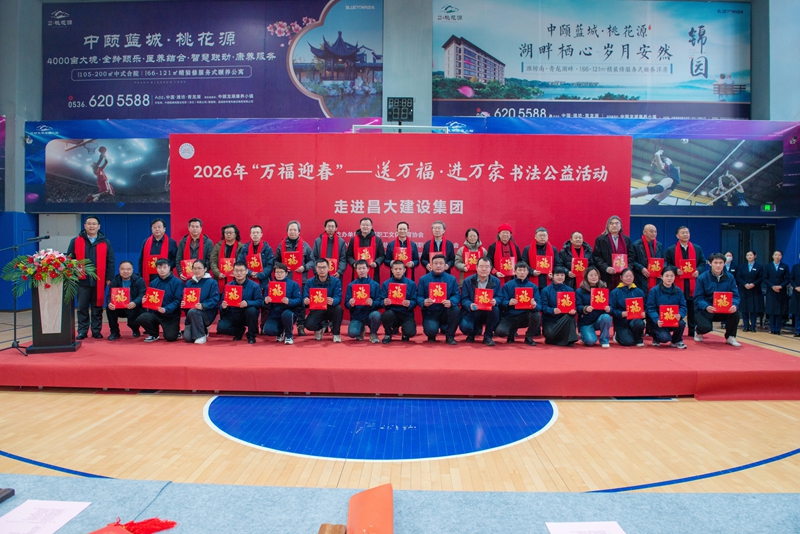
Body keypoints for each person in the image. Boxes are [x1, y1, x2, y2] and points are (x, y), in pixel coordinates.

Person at [67, 215, 115, 340]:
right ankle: (82, 331)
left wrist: (109, 278)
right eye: (89, 223)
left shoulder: (105, 242)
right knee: (82, 307)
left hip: (99, 280)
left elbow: (110, 261)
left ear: (99, 226)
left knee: (97, 306)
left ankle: (96, 331)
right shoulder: (75, 241)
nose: (91, 226)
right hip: (81, 280)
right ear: (85, 226)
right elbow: (69, 260)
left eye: (94, 224)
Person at [665, 226, 706, 337]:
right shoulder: (671, 249)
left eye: (687, 232)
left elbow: (702, 263)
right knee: (677, 306)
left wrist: (698, 271)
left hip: (693, 283)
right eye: (683, 233)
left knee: (692, 308)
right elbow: (667, 264)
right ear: (677, 235)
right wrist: (675, 270)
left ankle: (692, 331)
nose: (685, 235)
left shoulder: (697, 248)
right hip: (677, 283)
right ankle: (675, 329)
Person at [275, 221, 314, 335]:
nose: (292, 232)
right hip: (285, 280)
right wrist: (282, 267)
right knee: (285, 302)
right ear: (287, 231)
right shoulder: (281, 245)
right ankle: (286, 325)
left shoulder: (305, 245)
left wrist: (304, 267)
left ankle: (300, 325)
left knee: (301, 303)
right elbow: (276, 261)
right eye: (290, 230)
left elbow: (312, 261)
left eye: (295, 230)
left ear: (299, 232)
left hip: (301, 279)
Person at [694, 253, 742, 346]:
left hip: (723, 309)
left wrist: (734, 305)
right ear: (710, 263)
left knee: (735, 313)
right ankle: (698, 331)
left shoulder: (730, 277)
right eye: (715, 263)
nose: (718, 265)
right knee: (705, 327)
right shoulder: (702, 278)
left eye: (721, 263)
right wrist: (706, 306)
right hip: (706, 310)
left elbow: (736, 296)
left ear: (724, 264)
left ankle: (730, 336)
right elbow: (698, 298)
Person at [237, 225, 275, 332]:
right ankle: (253, 327)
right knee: (252, 304)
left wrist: (259, 275)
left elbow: (270, 265)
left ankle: (264, 326)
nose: (255, 235)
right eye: (253, 233)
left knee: (265, 305)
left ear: (261, 234)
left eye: (257, 233)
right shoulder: (245, 248)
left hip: (264, 280)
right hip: (249, 280)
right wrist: (249, 273)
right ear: (250, 235)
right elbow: (240, 263)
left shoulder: (267, 248)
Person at [136, 259, 184, 342]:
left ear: (169, 268)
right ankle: (154, 334)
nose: (162, 270)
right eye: (159, 267)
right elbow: (151, 299)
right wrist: (146, 301)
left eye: (164, 267)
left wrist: (166, 309)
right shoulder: (153, 283)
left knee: (170, 337)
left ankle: (176, 331)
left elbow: (177, 300)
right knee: (142, 317)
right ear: (156, 269)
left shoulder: (178, 282)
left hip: (171, 315)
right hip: (156, 313)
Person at [416, 254, 460, 345]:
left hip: (445, 311)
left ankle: (450, 336)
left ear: (445, 265)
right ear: (431, 265)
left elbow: (457, 295)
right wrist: (423, 302)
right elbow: (419, 296)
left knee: (456, 309)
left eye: (441, 263)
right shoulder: (423, 279)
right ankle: (433, 332)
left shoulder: (452, 279)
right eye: (435, 263)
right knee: (431, 331)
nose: (438, 265)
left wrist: (451, 302)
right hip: (431, 311)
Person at [216, 261, 263, 344]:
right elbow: (221, 302)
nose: (239, 273)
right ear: (233, 272)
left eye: (241, 270)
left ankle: (251, 335)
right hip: (233, 314)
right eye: (236, 271)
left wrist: (248, 303)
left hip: (247, 314)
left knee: (251, 310)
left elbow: (260, 302)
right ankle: (239, 331)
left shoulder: (254, 286)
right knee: (221, 328)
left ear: (246, 271)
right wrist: (223, 307)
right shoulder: (228, 286)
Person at [496, 261, 540, 345]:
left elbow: (539, 305)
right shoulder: (507, 285)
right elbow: (502, 302)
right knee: (500, 332)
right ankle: (511, 333)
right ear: (515, 272)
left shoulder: (533, 287)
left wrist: (535, 305)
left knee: (536, 315)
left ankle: (529, 337)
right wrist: (509, 303)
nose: (522, 273)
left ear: (528, 272)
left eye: (524, 270)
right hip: (510, 315)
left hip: (525, 315)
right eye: (519, 270)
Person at [460, 257, 501, 346]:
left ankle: (488, 336)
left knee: (495, 309)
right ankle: (472, 333)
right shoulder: (468, 281)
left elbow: (499, 296)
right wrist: (470, 305)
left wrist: (496, 300)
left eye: (487, 267)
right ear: (476, 267)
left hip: (488, 311)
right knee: (466, 327)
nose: (484, 269)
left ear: (491, 268)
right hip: (473, 311)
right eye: (481, 266)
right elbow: (464, 299)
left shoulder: (496, 281)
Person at [645, 266, 688, 349]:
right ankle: (656, 338)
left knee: (681, 323)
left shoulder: (678, 291)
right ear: (661, 277)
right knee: (664, 338)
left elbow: (683, 306)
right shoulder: (654, 291)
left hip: (672, 319)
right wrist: (657, 319)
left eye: (672, 276)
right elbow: (650, 308)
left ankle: (676, 341)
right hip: (659, 321)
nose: (669, 278)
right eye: (667, 276)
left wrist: (680, 314)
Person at [304, 258, 343, 342]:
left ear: (328, 268)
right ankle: (320, 328)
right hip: (316, 309)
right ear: (316, 268)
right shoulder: (310, 282)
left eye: (324, 267)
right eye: (319, 267)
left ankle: (336, 334)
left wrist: (333, 300)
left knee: (338, 308)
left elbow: (338, 297)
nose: (322, 270)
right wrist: (306, 301)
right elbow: (305, 297)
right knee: (308, 325)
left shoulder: (336, 281)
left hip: (330, 308)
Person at [262, 262, 302, 345]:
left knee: (286, 314)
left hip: (289, 312)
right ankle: (280, 332)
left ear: (286, 273)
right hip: (274, 313)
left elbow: (299, 300)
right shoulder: (269, 286)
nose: (279, 274)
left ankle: (289, 336)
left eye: (281, 272)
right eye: (277, 272)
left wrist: (289, 301)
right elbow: (263, 303)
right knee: (268, 331)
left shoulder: (293, 284)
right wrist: (266, 301)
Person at [106, 260, 146, 341]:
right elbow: (109, 295)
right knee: (109, 309)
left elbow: (142, 294)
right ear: (119, 270)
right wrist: (109, 303)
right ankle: (114, 332)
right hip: (119, 307)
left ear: (132, 270)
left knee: (133, 317)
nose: (125, 271)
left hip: (134, 306)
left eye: (128, 269)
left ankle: (135, 329)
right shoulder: (115, 280)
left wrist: (135, 302)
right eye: (123, 269)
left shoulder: (139, 280)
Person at [592, 215, 636, 288]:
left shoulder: (626, 240)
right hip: (606, 275)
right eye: (612, 223)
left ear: (620, 226)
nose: (614, 225)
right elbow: (597, 257)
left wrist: (627, 269)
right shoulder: (601, 239)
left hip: (623, 275)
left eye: (617, 223)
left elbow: (632, 256)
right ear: (608, 226)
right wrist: (606, 268)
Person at [539, 266, 579, 346]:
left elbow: (574, 306)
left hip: (564, 319)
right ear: (552, 276)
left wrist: (573, 311)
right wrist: (553, 310)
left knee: (569, 317)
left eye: (562, 275)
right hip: (550, 320)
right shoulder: (545, 290)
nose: (560, 277)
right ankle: (559, 340)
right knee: (550, 334)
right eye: (557, 275)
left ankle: (570, 341)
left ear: (565, 277)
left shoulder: (570, 290)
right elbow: (543, 308)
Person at [182, 260, 220, 344]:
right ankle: (203, 330)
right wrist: (184, 304)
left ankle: (201, 336)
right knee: (188, 338)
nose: (197, 271)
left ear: (205, 269)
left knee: (194, 311)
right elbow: (185, 298)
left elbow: (215, 299)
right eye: (195, 268)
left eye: (199, 268)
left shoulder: (212, 282)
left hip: (207, 312)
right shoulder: (189, 283)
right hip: (191, 314)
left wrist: (203, 305)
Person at [380, 260, 417, 343]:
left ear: (404, 270)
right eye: (395, 269)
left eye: (400, 269)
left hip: (406, 313)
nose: (398, 271)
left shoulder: (411, 284)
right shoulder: (386, 284)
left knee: (410, 332)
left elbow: (415, 301)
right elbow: (381, 300)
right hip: (392, 312)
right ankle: (388, 334)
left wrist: (410, 303)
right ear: (392, 270)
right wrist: (384, 302)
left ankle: (405, 334)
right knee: (386, 315)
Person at [345, 260, 382, 342]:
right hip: (357, 316)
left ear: (368, 269)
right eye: (359, 268)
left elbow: (379, 302)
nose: (361, 270)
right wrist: (350, 304)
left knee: (377, 315)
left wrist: (372, 303)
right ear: (356, 270)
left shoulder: (375, 285)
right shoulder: (351, 285)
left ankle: (373, 333)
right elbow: (346, 303)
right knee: (352, 333)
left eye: (363, 268)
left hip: (370, 315)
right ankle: (361, 329)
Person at [575, 266, 612, 348]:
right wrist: (585, 309)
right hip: (586, 322)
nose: (594, 277)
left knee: (606, 317)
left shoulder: (603, 290)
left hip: (599, 319)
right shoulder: (580, 291)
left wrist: (609, 308)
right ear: (586, 276)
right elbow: (577, 307)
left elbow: (611, 305)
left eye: (596, 275)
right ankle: (584, 335)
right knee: (590, 341)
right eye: (591, 275)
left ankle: (604, 340)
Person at [609, 268, 646, 347]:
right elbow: (611, 309)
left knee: (639, 323)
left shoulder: (639, 292)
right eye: (626, 276)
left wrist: (644, 313)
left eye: (631, 276)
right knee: (627, 342)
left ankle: (637, 338)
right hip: (621, 322)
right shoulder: (615, 292)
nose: (629, 278)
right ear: (621, 277)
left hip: (635, 320)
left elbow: (645, 306)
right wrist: (621, 314)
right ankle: (618, 335)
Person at [137, 218, 177, 287]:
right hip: (149, 276)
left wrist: (166, 268)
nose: (157, 229)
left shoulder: (171, 242)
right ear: (151, 229)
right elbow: (141, 260)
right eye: (154, 227)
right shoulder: (145, 242)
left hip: (165, 275)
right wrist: (140, 276)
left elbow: (175, 259)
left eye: (159, 227)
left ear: (164, 229)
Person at [346, 217, 385, 283]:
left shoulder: (377, 240)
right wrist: (354, 263)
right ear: (360, 226)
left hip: (373, 271)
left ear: (371, 226)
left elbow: (382, 255)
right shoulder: (353, 240)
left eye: (367, 225)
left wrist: (376, 263)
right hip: (358, 271)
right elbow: (349, 255)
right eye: (363, 225)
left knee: (372, 288)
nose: (365, 227)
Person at [735, 251, 765, 332]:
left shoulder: (759, 266)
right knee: (744, 309)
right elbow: (738, 277)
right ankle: (746, 325)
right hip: (744, 290)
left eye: (751, 255)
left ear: (755, 256)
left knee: (754, 309)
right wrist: (745, 284)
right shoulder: (742, 266)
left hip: (755, 290)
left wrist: (753, 284)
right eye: (747, 255)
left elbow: (761, 277)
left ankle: (753, 326)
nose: (749, 256)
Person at [631, 224, 665, 292]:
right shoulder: (636, 245)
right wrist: (641, 268)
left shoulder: (659, 245)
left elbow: (663, 260)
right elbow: (632, 261)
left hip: (656, 278)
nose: (654, 233)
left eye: (655, 232)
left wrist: (662, 270)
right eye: (651, 231)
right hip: (641, 277)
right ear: (644, 232)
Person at [763, 250, 789, 335]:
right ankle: (772, 328)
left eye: (779, 255)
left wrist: (781, 286)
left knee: (779, 310)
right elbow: (765, 278)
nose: (777, 256)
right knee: (771, 310)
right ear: (773, 256)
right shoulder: (768, 266)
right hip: (771, 291)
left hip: (781, 291)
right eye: (776, 255)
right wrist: (772, 286)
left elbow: (787, 279)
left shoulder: (785, 266)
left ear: (781, 256)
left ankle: (778, 329)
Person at [209, 224, 243, 289]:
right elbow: (213, 261)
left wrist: (237, 272)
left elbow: (242, 262)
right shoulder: (218, 246)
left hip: (236, 277)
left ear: (235, 234)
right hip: (220, 276)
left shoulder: (241, 247)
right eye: (226, 233)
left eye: (230, 233)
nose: (228, 234)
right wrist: (217, 273)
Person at [790, 255, 800, 337]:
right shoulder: (795, 267)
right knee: (797, 313)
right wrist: (796, 287)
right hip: (797, 293)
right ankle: (798, 330)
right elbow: (791, 279)